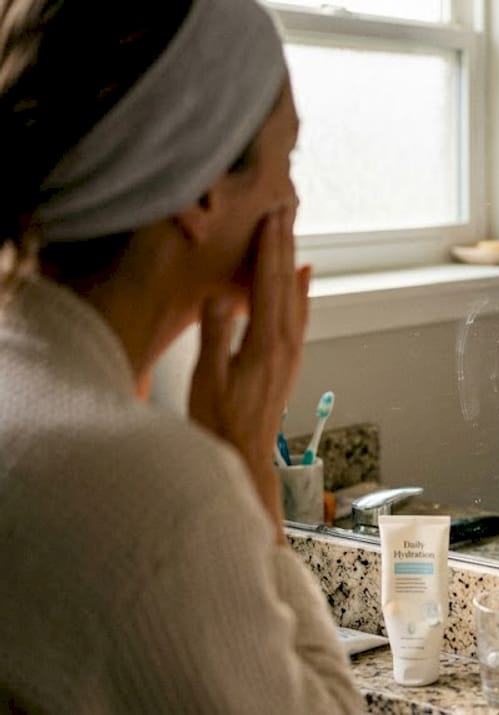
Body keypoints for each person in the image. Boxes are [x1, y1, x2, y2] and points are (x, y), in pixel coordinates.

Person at [0, 1, 361, 711]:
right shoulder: (160, 497)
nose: (292, 197)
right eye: (286, 159)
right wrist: (247, 464)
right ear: (200, 190)